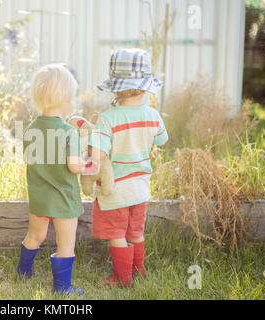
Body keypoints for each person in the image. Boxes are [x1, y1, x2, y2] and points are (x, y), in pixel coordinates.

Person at [88, 48, 169, 287]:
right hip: (141, 187)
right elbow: (162, 140)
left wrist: (86, 148)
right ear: (145, 85)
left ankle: (122, 279)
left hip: (116, 189)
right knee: (135, 231)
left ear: (114, 87)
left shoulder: (107, 119)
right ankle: (138, 270)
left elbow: (98, 155)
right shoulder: (153, 115)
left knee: (117, 234)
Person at [15, 64, 89, 296]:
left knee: (34, 235)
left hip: (39, 197)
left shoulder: (29, 129)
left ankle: (22, 273)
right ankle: (62, 288)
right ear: (67, 98)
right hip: (64, 199)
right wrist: (86, 162)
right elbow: (73, 166)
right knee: (65, 243)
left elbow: (29, 158)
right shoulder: (69, 132)